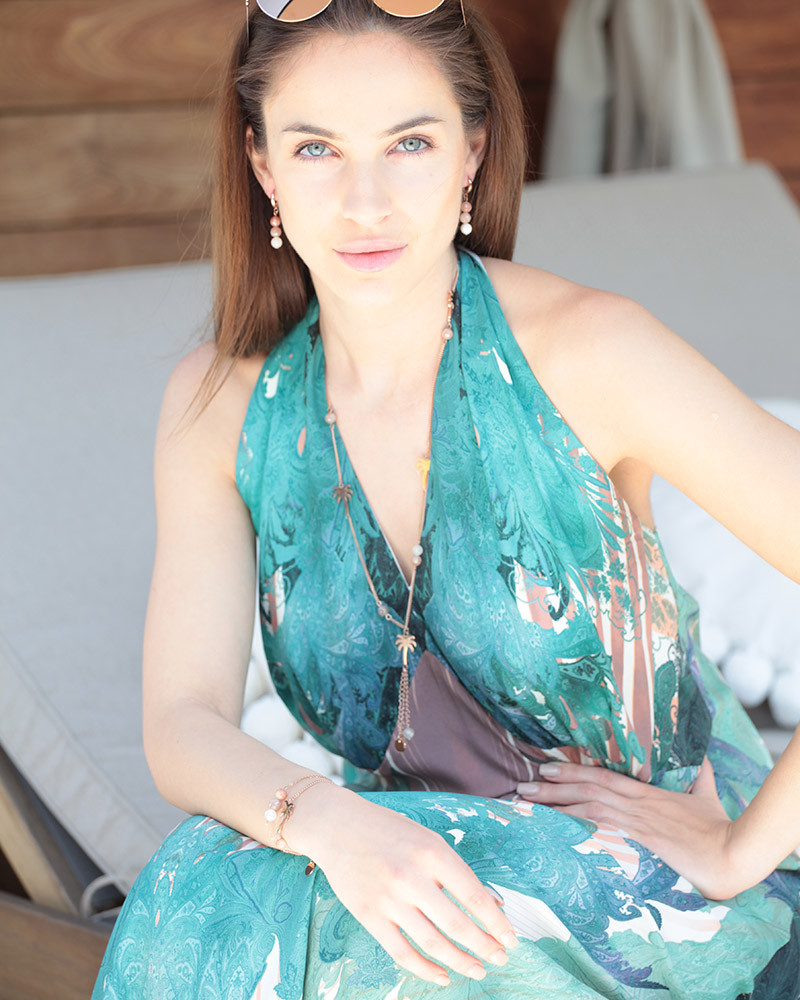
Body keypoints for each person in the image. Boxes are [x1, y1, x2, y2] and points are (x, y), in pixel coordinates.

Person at [92, 0, 800, 997]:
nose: (365, 202)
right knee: (199, 886)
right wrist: (327, 820)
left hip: (647, 897)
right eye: (317, 149)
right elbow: (182, 720)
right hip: (401, 865)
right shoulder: (219, 406)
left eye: (409, 144)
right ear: (262, 167)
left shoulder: (591, 352)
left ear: (472, 150)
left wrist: (738, 847)